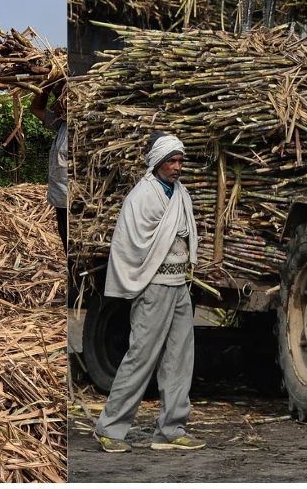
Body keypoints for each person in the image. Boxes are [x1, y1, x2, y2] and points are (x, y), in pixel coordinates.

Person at [93, 132, 205, 453]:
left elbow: (183, 236)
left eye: (180, 160)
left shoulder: (180, 194)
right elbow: (130, 245)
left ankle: (171, 429)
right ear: (157, 162)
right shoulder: (142, 196)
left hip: (179, 286)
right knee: (141, 357)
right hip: (153, 287)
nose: (177, 166)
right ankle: (110, 429)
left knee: (180, 358)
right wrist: (140, 281)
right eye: (172, 160)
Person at [30, 88, 68, 249]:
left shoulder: (85, 126)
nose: (55, 105)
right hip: (61, 200)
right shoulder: (62, 125)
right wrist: (44, 88)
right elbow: (36, 109)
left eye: (61, 101)